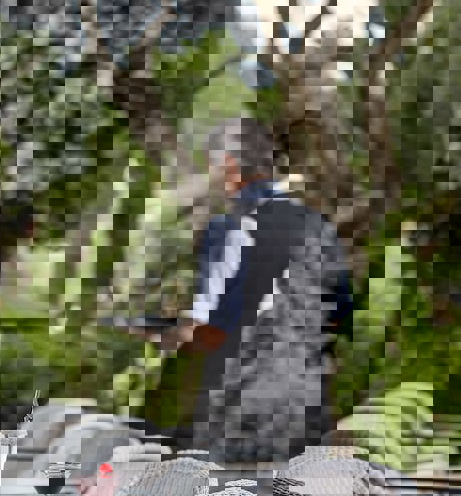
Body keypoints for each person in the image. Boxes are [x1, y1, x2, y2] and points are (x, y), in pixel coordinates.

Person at [130, 116, 354, 465]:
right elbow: (340, 318)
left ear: (230, 166)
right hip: (308, 408)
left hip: (240, 414)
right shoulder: (318, 227)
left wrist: (166, 333)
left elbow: (211, 332)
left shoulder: (229, 230)